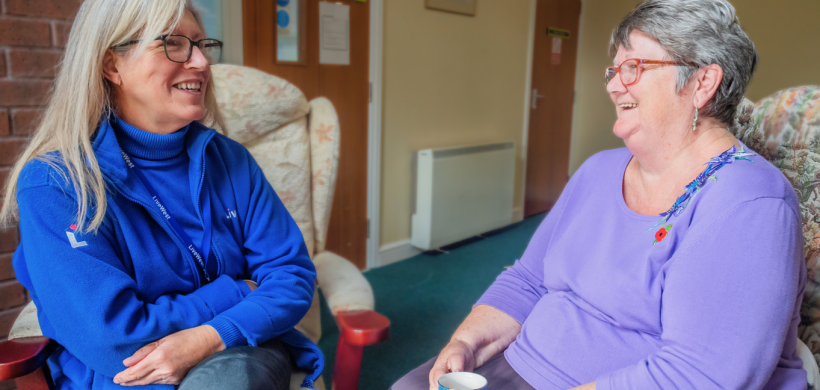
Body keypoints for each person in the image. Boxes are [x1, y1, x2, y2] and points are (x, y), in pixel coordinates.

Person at [392, 0, 807, 389]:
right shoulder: (598, 171)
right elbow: (527, 280)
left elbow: (700, 375)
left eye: (633, 67)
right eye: (613, 71)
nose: (613, 86)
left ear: (701, 83)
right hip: (523, 363)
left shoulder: (752, 203)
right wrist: (465, 343)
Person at [0, 1, 322, 389]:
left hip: (241, 355)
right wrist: (236, 291)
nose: (201, 63)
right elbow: (114, 340)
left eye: (202, 44)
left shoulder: (232, 160)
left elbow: (292, 275)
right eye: (174, 44)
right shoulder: (56, 184)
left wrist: (209, 337)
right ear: (111, 65)